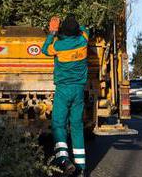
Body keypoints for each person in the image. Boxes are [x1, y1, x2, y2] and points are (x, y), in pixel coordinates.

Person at [42, 14, 89, 177]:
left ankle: (64, 159)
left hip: (63, 90)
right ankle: (81, 168)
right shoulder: (84, 41)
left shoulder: (59, 46)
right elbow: (85, 29)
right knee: (76, 126)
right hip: (78, 90)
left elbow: (44, 49)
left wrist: (53, 32)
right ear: (76, 31)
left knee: (58, 124)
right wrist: (75, 26)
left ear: (64, 32)